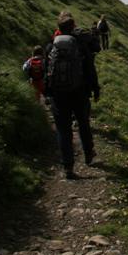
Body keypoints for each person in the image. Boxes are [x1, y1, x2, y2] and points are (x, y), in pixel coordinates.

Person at [45, 11, 101, 179]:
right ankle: (88, 153)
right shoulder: (80, 46)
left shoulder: (51, 46)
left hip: (59, 95)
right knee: (83, 123)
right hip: (79, 92)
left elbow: (46, 71)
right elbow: (90, 70)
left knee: (63, 129)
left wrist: (48, 93)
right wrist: (95, 89)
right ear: (74, 26)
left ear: (59, 28)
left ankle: (68, 166)